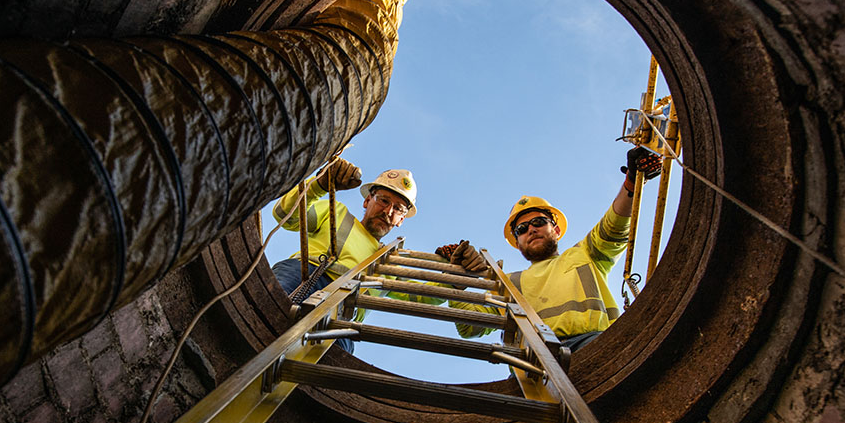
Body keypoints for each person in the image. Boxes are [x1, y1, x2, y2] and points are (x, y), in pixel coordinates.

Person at [447, 147, 662, 353]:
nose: (531, 229)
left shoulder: (584, 253)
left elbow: (613, 226)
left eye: (539, 222)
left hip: (595, 344)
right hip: (536, 363)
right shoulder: (510, 284)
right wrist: (456, 282)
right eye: (522, 228)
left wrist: (632, 182)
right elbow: (469, 327)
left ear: (556, 230)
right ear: (517, 241)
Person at [270, 157, 437, 353]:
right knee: (265, 309)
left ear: (401, 220)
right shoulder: (336, 212)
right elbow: (285, 215)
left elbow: (423, 298)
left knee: (329, 372)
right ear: (367, 200)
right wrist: (320, 185)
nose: (388, 211)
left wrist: (453, 279)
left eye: (398, 209)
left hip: (343, 318)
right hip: (305, 276)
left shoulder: (388, 264)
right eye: (384, 200)